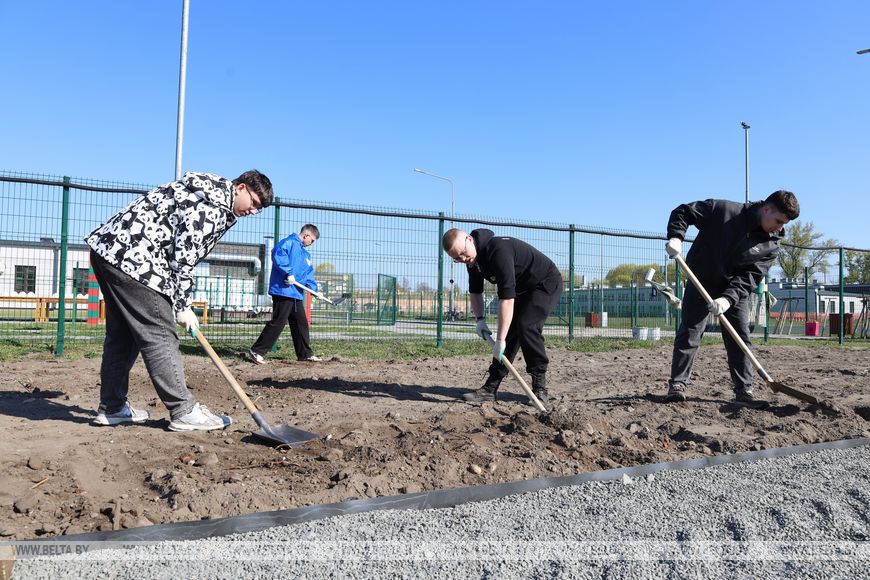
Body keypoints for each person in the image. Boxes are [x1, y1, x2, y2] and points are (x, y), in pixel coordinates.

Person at [86, 170, 273, 431]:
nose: (253, 211)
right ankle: (183, 410)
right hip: (136, 260)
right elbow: (183, 260)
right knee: (160, 333)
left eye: (259, 209)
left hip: (109, 251)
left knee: (123, 336)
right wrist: (182, 306)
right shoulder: (211, 207)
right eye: (253, 203)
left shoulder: (204, 191)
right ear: (241, 188)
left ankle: (113, 408)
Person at [663, 190, 800, 404]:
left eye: (784, 224)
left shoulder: (772, 245)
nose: (780, 228)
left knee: (739, 337)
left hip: (734, 289)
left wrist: (728, 299)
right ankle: (677, 385)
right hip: (701, 279)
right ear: (766, 209)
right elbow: (683, 212)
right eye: (779, 221)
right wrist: (676, 237)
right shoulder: (724, 211)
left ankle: (744, 390)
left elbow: (751, 276)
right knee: (690, 331)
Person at [442, 228, 563, 407]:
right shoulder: (473, 261)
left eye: (463, 253)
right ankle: (490, 388)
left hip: (544, 282)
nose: (463, 259)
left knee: (526, 326)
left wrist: (499, 340)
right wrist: (480, 320)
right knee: (510, 332)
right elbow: (475, 292)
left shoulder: (498, 250)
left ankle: (540, 388)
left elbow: (506, 299)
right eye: (457, 258)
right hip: (523, 288)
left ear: (469, 239)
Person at [247, 225, 322, 364]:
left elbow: (308, 274)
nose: (312, 243)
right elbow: (278, 253)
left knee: (301, 324)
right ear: (306, 236)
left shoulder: (306, 255)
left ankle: (304, 354)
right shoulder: (289, 242)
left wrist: (314, 290)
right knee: (279, 322)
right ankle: (257, 351)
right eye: (312, 240)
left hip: (296, 294)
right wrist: (288, 272)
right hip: (283, 291)